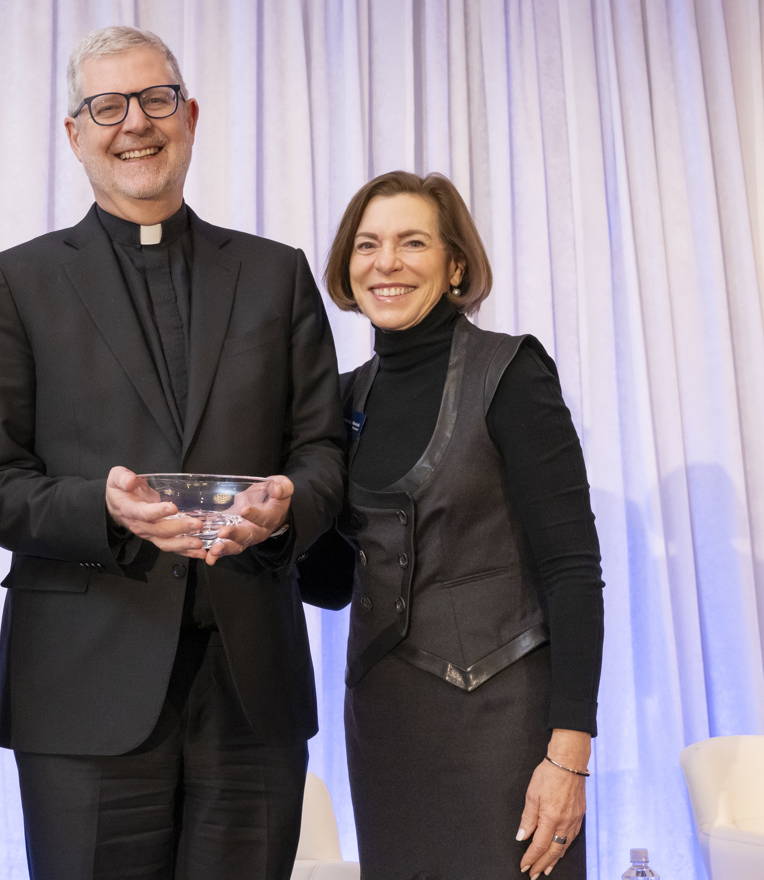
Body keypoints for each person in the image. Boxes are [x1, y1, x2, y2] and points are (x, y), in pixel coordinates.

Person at [0, 25, 346, 880]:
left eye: (155, 100)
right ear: (75, 133)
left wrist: (288, 509)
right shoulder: (17, 283)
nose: (134, 123)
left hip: (251, 682)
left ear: (190, 115)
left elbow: (322, 449)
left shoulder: (275, 273)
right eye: (107, 105)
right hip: (84, 686)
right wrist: (98, 505)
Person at [298, 170, 604, 879]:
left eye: (412, 243)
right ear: (348, 265)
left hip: (507, 730)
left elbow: (573, 569)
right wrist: (271, 514)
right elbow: (334, 584)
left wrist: (570, 753)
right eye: (367, 245)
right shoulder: (342, 402)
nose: (387, 263)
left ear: (455, 263)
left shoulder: (512, 372)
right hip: (385, 728)